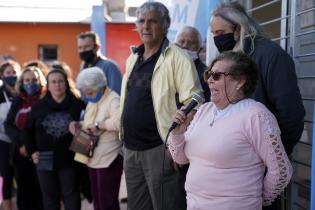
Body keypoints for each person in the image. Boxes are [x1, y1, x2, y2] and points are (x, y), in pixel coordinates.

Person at [168, 51, 292, 210]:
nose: (210, 81)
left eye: (217, 76)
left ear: (240, 81)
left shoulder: (256, 115)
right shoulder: (204, 110)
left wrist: (254, 200)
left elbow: (281, 171)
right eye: (209, 74)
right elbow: (181, 159)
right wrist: (177, 132)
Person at [120, 2, 203, 210]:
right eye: (141, 21)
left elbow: (194, 100)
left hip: (159, 149)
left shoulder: (178, 57)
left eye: (152, 21)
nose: (146, 26)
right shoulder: (133, 57)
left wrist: (176, 144)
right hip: (131, 149)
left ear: (165, 26)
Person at [210, 2, 305, 156]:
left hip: (263, 160)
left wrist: (276, 154)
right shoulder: (227, 58)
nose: (216, 39)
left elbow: (291, 113)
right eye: (213, 34)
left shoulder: (271, 55)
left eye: (220, 33)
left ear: (239, 28)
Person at [23, 69, 86, 210]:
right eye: (53, 82)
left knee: (71, 195)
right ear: (48, 85)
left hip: (70, 158)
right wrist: (32, 152)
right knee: (50, 198)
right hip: (44, 158)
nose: (57, 85)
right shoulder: (38, 106)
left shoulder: (78, 105)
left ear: (66, 83)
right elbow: (27, 130)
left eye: (60, 81)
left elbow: (86, 131)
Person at [69, 66, 122, 210]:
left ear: (100, 87)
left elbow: (119, 122)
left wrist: (100, 125)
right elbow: (88, 123)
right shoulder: (93, 100)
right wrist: (77, 125)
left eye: (90, 92)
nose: (88, 96)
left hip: (109, 157)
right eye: (85, 93)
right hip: (92, 156)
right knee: (97, 201)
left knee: (107, 202)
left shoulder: (113, 99)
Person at [4, 66, 46, 210]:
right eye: (27, 80)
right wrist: (21, 143)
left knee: (42, 193)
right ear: (21, 82)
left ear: (41, 81)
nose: (30, 83)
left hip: (41, 153)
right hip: (20, 153)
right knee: (24, 193)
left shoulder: (45, 100)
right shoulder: (18, 101)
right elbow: (8, 124)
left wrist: (31, 146)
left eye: (34, 80)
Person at [0, 60, 21, 210]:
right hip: (3, 141)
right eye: (8, 72)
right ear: (2, 75)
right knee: (7, 177)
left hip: (21, 141)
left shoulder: (23, 93)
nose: (12, 75)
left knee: (23, 177)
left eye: (14, 72)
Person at [175, 26, 210, 102]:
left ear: (199, 49)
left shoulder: (205, 74)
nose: (185, 46)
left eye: (191, 43)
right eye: (181, 41)